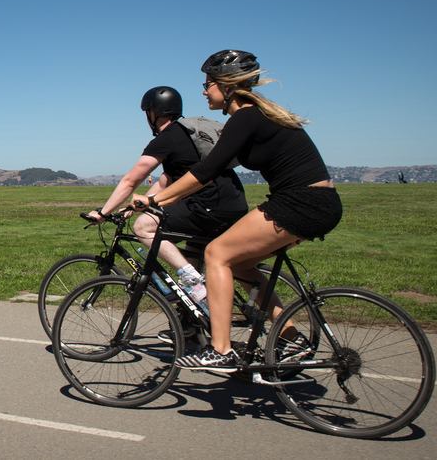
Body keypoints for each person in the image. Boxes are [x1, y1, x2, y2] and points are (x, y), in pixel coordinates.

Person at [134, 50, 343, 371]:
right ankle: (290, 338)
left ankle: (220, 349)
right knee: (242, 264)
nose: (204, 91)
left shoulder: (245, 117)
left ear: (227, 87)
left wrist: (154, 201)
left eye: (209, 85)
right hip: (315, 202)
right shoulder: (256, 115)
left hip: (300, 202)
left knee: (216, 254)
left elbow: (205, 172)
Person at [87, 86, 248, 321]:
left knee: (144, 227)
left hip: (208, 206)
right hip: (231, 203)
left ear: (154, 112)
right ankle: (192, 327)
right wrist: (131, 207)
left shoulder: (167, 138)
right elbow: (164, 182)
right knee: (191, 255)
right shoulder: (186, 135)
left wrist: (103, 212)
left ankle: (193, 282)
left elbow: (132, 179)